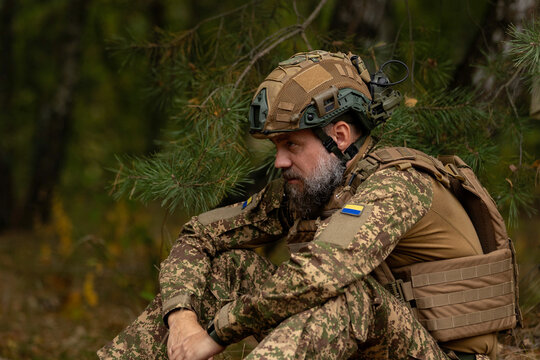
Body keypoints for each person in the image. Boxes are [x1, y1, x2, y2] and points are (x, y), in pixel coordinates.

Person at [98, 50, 514, 360]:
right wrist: (181, 317)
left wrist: (218, 332)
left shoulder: (397, 186)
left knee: (350, 294)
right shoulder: (314, 184)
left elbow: (321, 275)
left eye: (292, 145)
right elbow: (199, 233)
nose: (279, 161)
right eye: (278, 147)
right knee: (228, 265)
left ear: (341, 134)